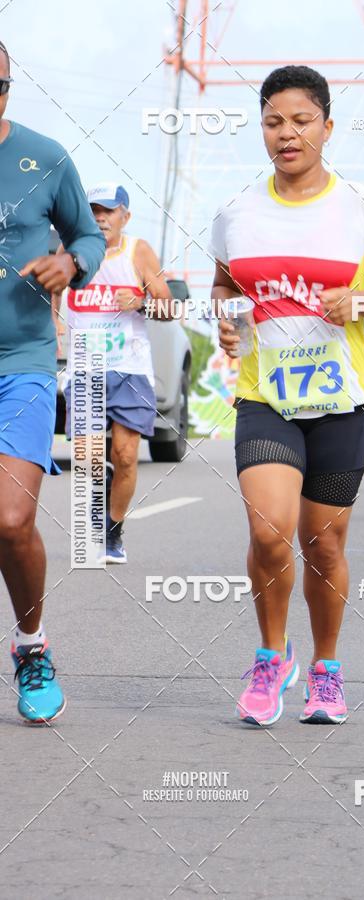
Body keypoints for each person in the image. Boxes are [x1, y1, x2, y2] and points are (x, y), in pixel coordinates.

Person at [209, 65, 364, 726]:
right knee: (269, 533)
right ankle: (272, 658)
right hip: (264, 396)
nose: (286, 134)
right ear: (261, 129)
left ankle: (326, 669)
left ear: (327, 126)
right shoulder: (237, 212)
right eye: (273, 122)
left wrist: (360, 299)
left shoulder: (360, 208)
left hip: (339, 400)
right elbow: (222, 287)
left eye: (300, 121)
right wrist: (229, 319)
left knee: (323, 546)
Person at [0, 41, 105, 722]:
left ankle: (31, 646)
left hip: (22, 365)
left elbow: (91, 237)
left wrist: (72, 264)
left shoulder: (45, 156)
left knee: (10, 520)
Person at [58, 183, 173, 562]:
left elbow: (169, 308)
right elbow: (53, 294)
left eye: (108, 210)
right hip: (86, 364)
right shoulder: (71, 251)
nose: (100, 218)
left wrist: (141, 303)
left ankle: (112, 532)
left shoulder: (137, 251)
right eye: (93, 210)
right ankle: (101, 485)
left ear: (126, 215)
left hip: (130, 367)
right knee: (89, 458)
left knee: (125, 455)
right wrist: (55, 327)